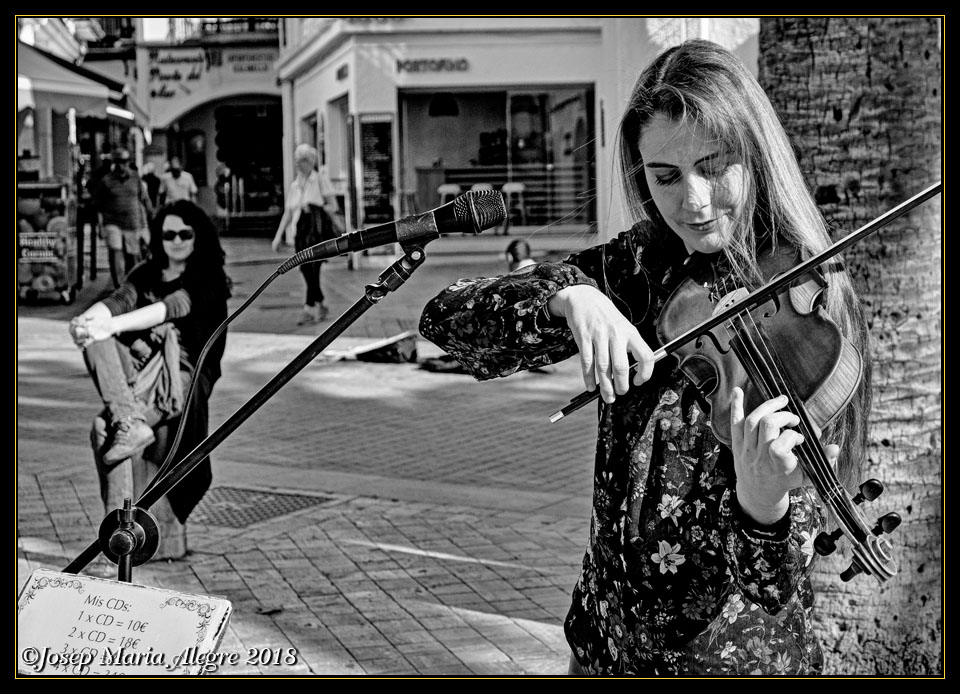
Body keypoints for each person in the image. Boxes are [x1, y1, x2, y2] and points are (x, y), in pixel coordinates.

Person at [419, 40, 871, 675]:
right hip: (603, 646)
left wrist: (762, 502)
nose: (693, 201)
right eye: (665, 176)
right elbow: (448, 318)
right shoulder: (634, 269)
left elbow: (776, 587)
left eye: (715, 167)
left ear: (757, 154)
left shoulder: (812, 305)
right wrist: (565, 296)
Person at [69, 200, 230, 522]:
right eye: (169, 234)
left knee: (103, 428)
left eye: (186, 233)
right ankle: (129, 420)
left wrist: (112, 325)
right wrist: (86, 321)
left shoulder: (207, 278)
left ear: (198, 236)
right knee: (92, 335)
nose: (178, 241)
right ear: (159, 237)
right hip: (138, 370)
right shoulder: (147, 273)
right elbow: (119, 300)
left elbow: (172, 307)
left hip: (181, 377)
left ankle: (123, 536)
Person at [272, 143, 344, 325]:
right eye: (297, 160)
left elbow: (333, 206)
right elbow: (288, 212)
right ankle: (321, 303)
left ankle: (309, 308)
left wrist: (314, 207)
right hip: (301, 232)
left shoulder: (320, 179)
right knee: (305, 268)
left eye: (302, 160)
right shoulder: (295, 184)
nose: (298, 164)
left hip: (316, 232)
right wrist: (278, 236)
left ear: (311, 162)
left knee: (313, 268)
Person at [93, 148, 152, 288]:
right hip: (112, 222)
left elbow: (143, 198)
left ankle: (133, 285)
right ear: (114, 163)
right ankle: (119, 285)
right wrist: (100, 226)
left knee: (133, 255)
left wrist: (149, 216)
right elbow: (98, 205)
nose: (121, 165)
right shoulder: (106, 181)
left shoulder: (135, 177)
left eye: (124, 162)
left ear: (128, 163)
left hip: (133, 222)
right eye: (118, 162)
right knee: (116, 252)